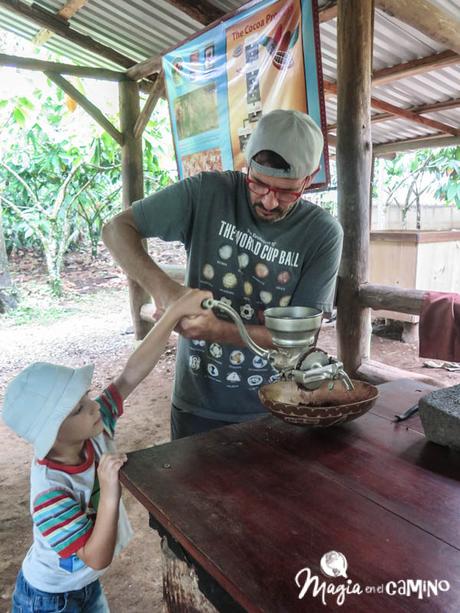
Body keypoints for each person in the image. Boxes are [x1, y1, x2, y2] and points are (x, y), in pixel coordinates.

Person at [102, 109, 343, 440]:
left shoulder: (322, 233)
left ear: (310, 177)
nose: (270, 202)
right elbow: (116, 229)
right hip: (196, 404)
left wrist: (219, 330)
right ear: (247, 165)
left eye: (287, 191)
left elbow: (298, 340)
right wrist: (165, 291)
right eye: (258, 184)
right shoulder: (207, 193)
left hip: (274, 408)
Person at [2, 288, 211, 613]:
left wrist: (173, 313)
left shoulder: (92, 430)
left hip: (83, 586)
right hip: (48, 601)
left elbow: (130, 374)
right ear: (52, 434)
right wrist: (110, 488)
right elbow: (95, 555)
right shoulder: (50, 494)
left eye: (86, 398)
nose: (93, 408)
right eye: (77, 409)